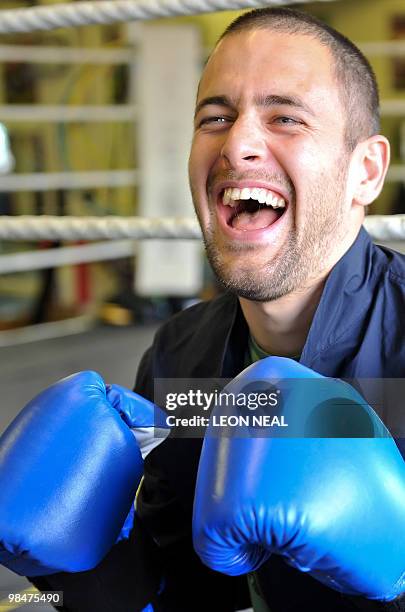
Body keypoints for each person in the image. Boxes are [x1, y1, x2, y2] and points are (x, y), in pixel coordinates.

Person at [1, 7, 404, 612]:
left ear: (365, 170)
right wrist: (79, 572)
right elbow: (173, 582)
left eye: (285, 117)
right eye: (214, 117)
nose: (237, 143)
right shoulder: (177, 353)